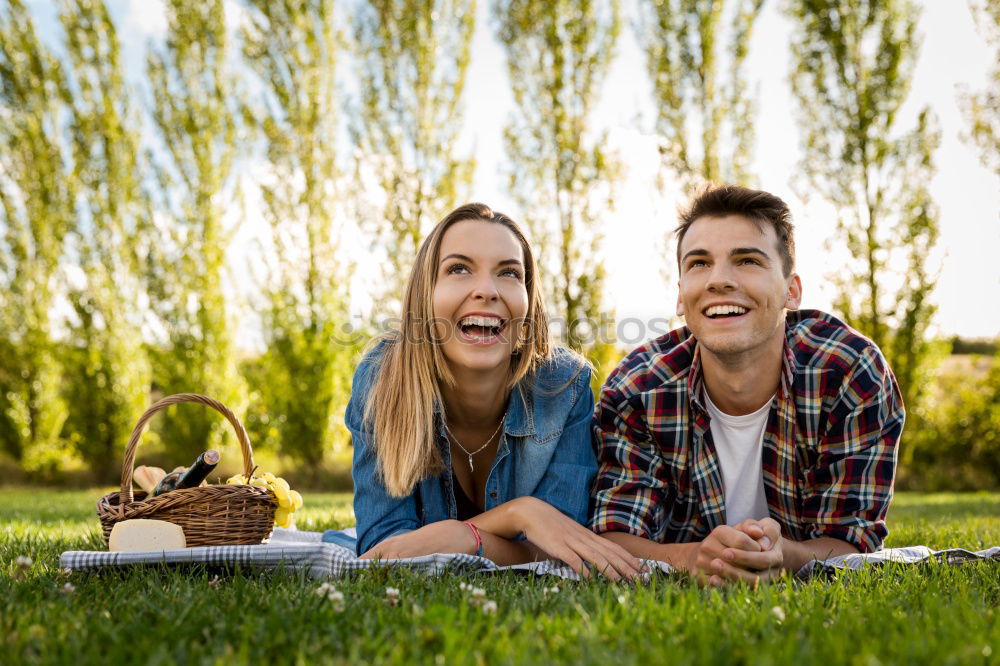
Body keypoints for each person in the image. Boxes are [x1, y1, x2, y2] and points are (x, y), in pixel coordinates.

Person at [590, 184, 904, 585]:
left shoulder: (850, 372)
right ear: (680, 298)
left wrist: (783, 555)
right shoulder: (637, 387)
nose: (719, 280)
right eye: (699, 264)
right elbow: (615, 537)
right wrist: (696, 558)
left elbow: (852, 543)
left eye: (748, 261)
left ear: (792, 291)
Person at [342, 202, 640, 580]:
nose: (486, 290)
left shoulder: (564, 385)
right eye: (459, 269)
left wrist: (460, 539)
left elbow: (561, 548)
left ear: (528, 303)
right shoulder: (383, 381)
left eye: (509, 273)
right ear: (425, 295)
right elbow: (382, 549)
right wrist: (519, 515)